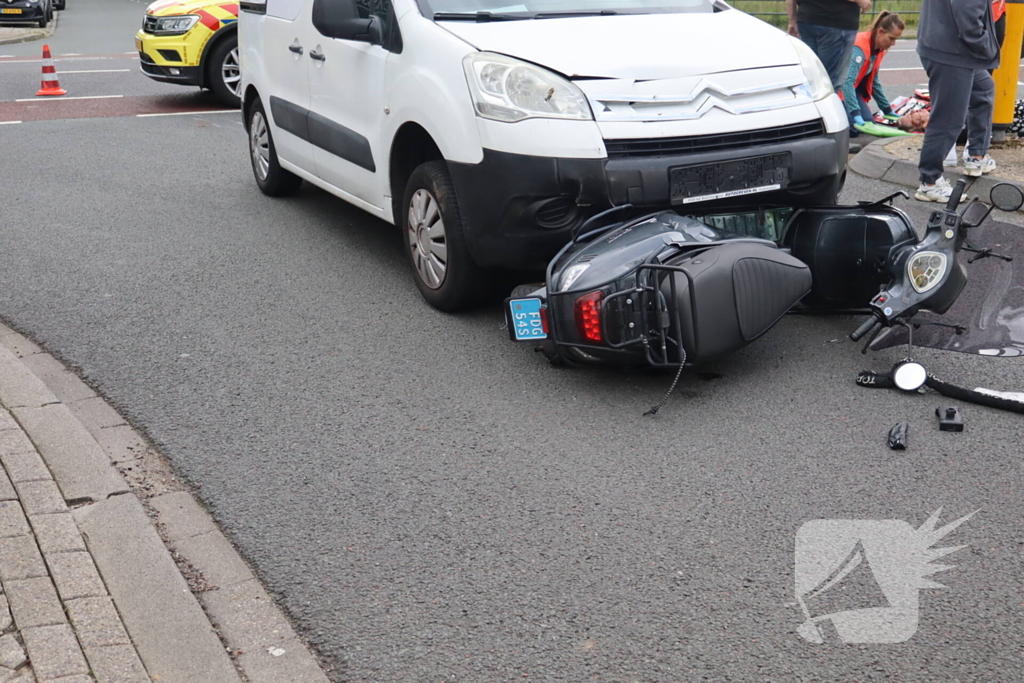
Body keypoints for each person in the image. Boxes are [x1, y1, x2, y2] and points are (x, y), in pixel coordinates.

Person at [916, 0, 1000, 202]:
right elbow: (968, 12)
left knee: (984, 90)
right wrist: (985, 45)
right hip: (954, 52)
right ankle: (929, 182)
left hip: (947, 46)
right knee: (948, 119)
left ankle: (976, 156)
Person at [840, 12, 905, 136]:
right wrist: (855, 112)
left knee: (869, 123)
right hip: (838, 90)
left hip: (851, 90)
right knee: (854, 128)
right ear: (880, 32)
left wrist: (887, 109)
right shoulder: (859, 47)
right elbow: (847, 82)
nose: (893, 43)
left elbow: (874, 82)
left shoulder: (879, 50)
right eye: (891, 38)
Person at [786, 0, 872, 93]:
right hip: (835, 22)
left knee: (810, 78)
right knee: (829, 82)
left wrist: (792, 20)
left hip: (806, 19)